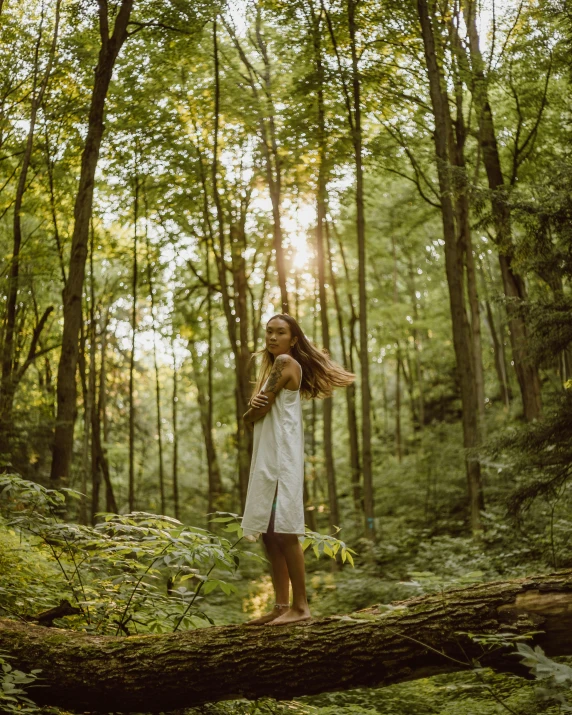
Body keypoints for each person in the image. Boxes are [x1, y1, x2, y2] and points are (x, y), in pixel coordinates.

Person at [241, 313, 354, 626]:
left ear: (293, 339)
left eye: (280, 332)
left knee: (285, 530)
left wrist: (250, 412)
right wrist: (254, 409)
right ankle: (280, 607)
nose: (273, 337)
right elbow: (258, 409)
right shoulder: (273, 368)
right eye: (269, 332)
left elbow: (255, 413)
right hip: (269, 456)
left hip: (280, 457)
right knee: (269, 533)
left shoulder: (284, 363)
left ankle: (301, 607)